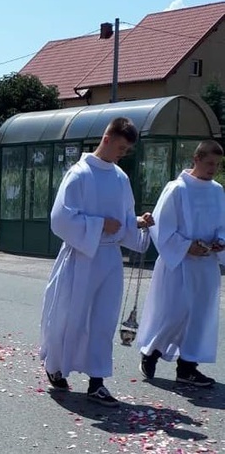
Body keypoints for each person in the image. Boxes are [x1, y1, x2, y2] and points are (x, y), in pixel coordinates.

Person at [39, 117, 154, 407]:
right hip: (80, 256)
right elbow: (60, 218)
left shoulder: (120, 178)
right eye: (120, 147)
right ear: (106, 139)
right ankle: (56, 366)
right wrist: (100, 224)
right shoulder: (79, 174)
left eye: (126, 150)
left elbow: (124, 219)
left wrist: (138, 223)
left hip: (109, 259)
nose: (122, 154)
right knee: (71, 316)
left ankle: (97, 382)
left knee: (103, 320)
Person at [137, 140, 225, 387]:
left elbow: (222, 223)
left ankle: (187, 367)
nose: (213, 169)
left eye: (217, 165)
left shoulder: (217, 191)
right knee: (175, 312)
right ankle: (151, 351)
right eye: (209, 163)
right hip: (179, 263)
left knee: (200, 315)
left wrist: (220, 241)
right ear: (196, 159)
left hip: (206, 264)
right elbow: (162, 226)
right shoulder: (177, 189)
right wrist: (187, 246)